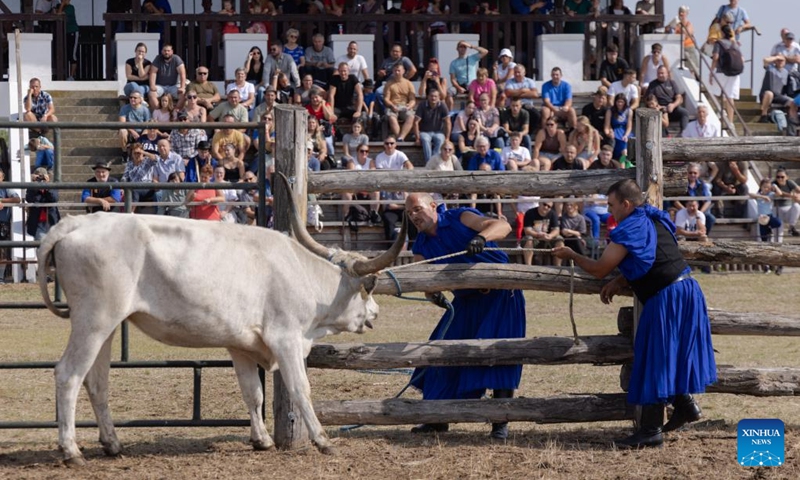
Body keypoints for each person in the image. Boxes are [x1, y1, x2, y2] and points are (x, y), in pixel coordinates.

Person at [553, 179, 717, 449]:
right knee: (668, 354)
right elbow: (649, 258)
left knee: (655, 356)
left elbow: (599, 269)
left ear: (626, 204)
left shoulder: (630, 227)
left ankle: (651, 430)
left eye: (611, 205)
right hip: (687, 289)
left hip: (667, 296)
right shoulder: (650, 217)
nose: (609, 211)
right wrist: (622, 281)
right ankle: (686, 405)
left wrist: (572, 253)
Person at [405, 192, 525, 440]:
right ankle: (438, 419)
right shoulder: (421, 245)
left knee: (500, 354)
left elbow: (502, 225)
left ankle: (500, 424)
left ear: (433, 206)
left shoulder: (460, 217)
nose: (414, 216)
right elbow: (423, 279)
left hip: (501, 296)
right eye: (409, 213)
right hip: (466, 301)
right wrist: (433, 294)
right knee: (439, 352)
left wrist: (482, 237)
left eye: (417, 209)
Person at [709, 25, 743, 122]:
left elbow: (715, 57)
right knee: (730, 97)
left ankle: (720, 110)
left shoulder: (719, 43)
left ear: (722, 33)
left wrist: (711, 72)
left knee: (714, 94)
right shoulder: (735, 44)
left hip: (721, 72)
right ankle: (731, 121)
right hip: (735, 73)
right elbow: (742, 59)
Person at [645, 65, 689, 132]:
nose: (660, 75)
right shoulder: (652, 84)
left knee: (684, 112)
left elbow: (679, 98)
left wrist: (673, 105)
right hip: (660, 109)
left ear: (667, 73)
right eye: (658, 73)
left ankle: (684, 133)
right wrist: (658, 107)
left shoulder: (672, 83)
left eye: (662, 73)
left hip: (672, 109)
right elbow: (649, 99)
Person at [414, 89, 451, 164]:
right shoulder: (422, 105)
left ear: (439, 97)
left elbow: (448, 122)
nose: (433, 98)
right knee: (425, 139)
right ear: (428, 96)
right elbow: (415, 122)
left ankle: (433, 161)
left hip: (438, 132)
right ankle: (429, 163)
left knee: (440, 140)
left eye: (435, 96)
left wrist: (447, 138)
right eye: (431, 96)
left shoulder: (443, 106)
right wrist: (417, 138)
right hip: (424, 131)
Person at [522, 201, 563, 266]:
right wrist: (538, 235)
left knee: (559, 239)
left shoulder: (553, 214)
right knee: (529, 239)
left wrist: (550, 235)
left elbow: (556, 230)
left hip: (547, 238)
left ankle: (558, 266)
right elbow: (527, 230)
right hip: (534, 238)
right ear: (539, 203)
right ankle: (528, 266)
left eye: (549, 206)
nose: (546, 207)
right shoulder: (530, 213)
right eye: (544, 204)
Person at [25, 167, 60, 241]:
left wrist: (47, 187)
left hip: (51, 221)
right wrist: (36, 187)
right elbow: (30, 199)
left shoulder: (52, 186)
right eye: (38, 177)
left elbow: (54, 198)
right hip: (38, 222)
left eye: (42, 177)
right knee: (41, 245)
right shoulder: (31, 188)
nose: (41, 179)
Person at [383, 64, 417, 142]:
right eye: (395, 71)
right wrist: (392, 105)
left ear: (403, 71)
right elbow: (386, 99)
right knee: (391, 117)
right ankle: (399, 138)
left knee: (411, 117)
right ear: (393, 72)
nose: (397, 72)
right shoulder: (389, 83)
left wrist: (409, 106)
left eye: (399, 70)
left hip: (405, 106)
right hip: (393, 105)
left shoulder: (409, 83)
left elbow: (413, 100)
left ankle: (401, 137)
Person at [147, 44, 187, 110]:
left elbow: (182, 73)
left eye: (168, 51)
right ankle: (158, 112)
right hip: (160, 86)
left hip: (173, 86)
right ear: (162, 51)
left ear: (172, 51)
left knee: (183, 95)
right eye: (165, 50)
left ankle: (175, 113)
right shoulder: (158, 58)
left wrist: (182, 87)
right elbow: (153, 72)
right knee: (151, 94)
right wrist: (152, 86)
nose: (166, 52)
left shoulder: (176, 58)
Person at [771, 166, 800, 240]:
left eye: (782, 177)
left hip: (788, 209)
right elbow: (780, 193)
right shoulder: (773, 184)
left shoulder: (789, 182)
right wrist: (791, 195)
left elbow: (798, 190)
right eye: (778, 177)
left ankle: (791, 227)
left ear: (787, 177)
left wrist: (797, 195)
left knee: (797, 206)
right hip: (776, 209)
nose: (780, 179)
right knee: (778, 234)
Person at [55, 0, 79, 81]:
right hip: (65, 33)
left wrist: (61, 5)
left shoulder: (70, 8)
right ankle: (66, 75)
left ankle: (72, 76)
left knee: (72, 55)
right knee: (66, 54)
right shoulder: (59, 6)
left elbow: (59, 14)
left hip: (73, 32)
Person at [604, 93, 632, 161]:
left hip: (624, 132)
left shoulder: (629, 111)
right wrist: (608, 134)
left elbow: (629, 126)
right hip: (614, 131)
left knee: (625, 148)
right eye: (618, 101)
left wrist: (626, 135)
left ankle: (624, 163)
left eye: (621, 102)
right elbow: (606, 126)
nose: (619, 104)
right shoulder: (610, 110)